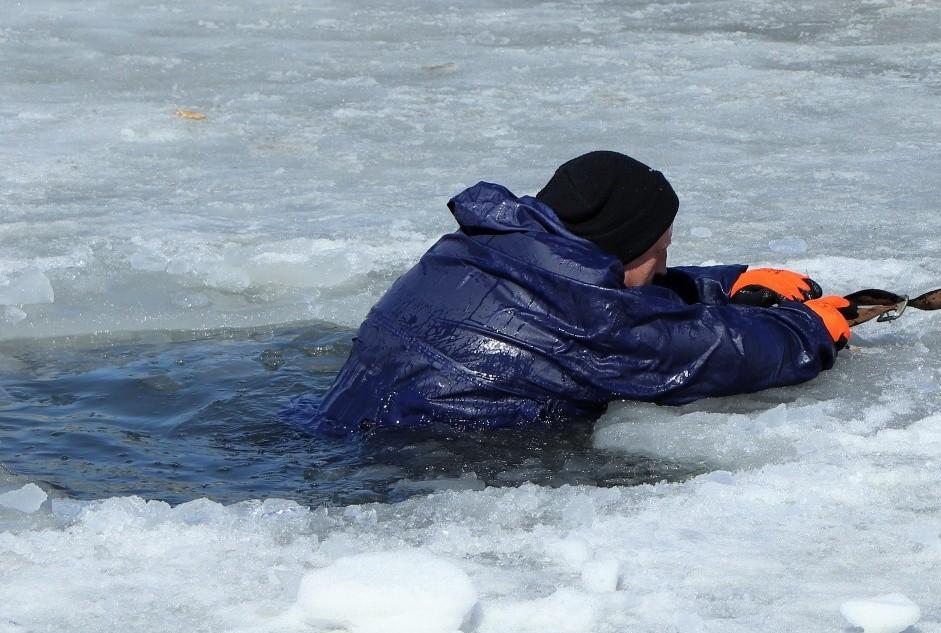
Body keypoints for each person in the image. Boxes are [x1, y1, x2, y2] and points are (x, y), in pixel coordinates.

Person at [286, 150, 853, 435]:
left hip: (338, 420)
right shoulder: (591, 321)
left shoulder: (470, 251)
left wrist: (725, 282)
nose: (666, 263)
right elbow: (710, 354)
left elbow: (604, 297)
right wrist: (809, 328)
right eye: (662, 248)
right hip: (435, 466)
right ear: (626, 245)